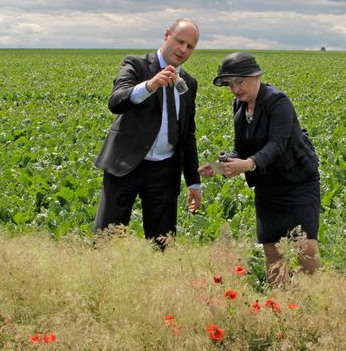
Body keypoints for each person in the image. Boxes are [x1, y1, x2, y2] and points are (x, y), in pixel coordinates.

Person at [199, 52, 321, 284]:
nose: (235, 89)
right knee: (272, 249)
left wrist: (249, 164)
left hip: (298, 183)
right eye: (230, 84)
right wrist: (219, 167)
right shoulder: (240, 106)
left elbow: (278, 143)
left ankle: (315, 297)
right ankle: (278, 301)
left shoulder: (278, 102)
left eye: (240, 82)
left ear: (256, 77)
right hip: (267, 187)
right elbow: (240, 147)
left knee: (305, 246)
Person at [94, 18, 202, 248]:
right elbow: (116, 102)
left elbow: (187, 134)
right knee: (107, 240)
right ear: (166, 36)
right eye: (179, 41)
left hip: (164, 170)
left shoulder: (189, 83)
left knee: (161, 244)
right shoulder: (137, 65)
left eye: (190, 46)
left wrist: (194, 182)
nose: (183, 49)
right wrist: (150, 86)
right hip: (125, 165)